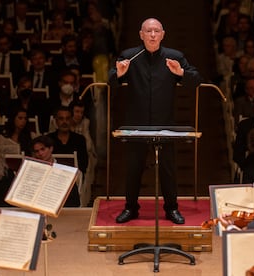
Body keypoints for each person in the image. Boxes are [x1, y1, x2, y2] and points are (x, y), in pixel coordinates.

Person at [108, 18, 202, 224]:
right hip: (136, 124)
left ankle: (172, 208)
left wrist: (180, 73)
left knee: (168, 168)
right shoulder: (129, 56)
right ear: (141, 34)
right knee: (133, 168)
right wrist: (119, 74)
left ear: (162, 34)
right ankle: (130, 208)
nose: (152, 35)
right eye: (148, 31)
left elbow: (195, 80)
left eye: (156, 31)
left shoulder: (174, 57)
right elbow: (111, 81)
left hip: (164, 123)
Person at [31, 135, 81, 207]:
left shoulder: (65, 170)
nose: (40, 153)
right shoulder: (32, 171)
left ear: (51, 148)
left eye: (43, 149)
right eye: (37, 151)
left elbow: (75, 201)